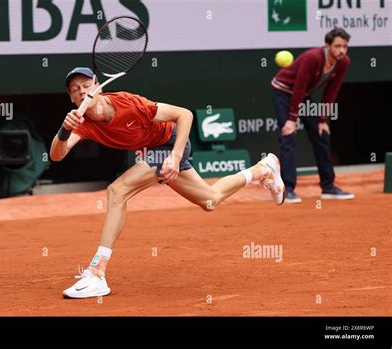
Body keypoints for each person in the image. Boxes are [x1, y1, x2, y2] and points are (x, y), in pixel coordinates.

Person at [51, 67, 285, 299]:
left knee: (117, 191)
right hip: (152, 152)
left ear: (98, 87)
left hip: (169, 144)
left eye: (86, 85)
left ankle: (96, 272)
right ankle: (263, 169)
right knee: (210, 200)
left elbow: (184, 114)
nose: (82, 92)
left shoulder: (128, 104)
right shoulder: (81, 123)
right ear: (72, 98)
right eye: (75, 90)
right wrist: (64, 130)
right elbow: (57, 155)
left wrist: (174, 156)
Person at [271, 27, 355, 204]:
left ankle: (328, 187)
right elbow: (299, 87)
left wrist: (323, 120)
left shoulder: (343, 62)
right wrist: (292, 120)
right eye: (338, 46)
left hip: (302, 94)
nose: (342, 50)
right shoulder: (312, 57)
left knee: (321, 134)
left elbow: (332, 90)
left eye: (345, 46)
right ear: (327, 45)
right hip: (284, 91)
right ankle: (288, 189)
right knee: (288, 135)